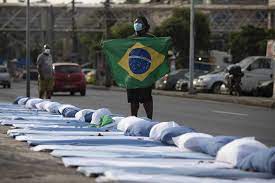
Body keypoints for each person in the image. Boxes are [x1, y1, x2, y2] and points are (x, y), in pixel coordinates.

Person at [127, 16, 155, 119]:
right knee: (133, 100)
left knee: (147, 99)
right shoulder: (130, 40)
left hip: (146, 74)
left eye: (139, 22)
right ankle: (133, 119)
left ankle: (150, 120)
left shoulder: (151, 39)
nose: (137, 24)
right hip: (132, 75)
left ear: (145, 26)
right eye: (135, 22)